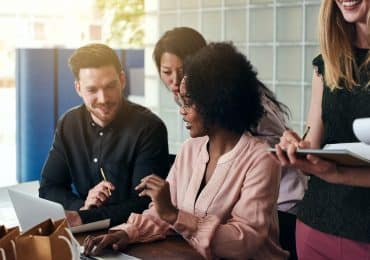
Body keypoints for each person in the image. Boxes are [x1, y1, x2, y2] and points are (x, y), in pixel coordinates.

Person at [83, 42, 289, 259]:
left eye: (188, 103)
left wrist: (173, 214)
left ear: (217, 103)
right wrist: (125, 232)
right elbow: (162, 214)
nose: (181, 111)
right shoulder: (191, 149)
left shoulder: (261, 159)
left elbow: (243, 241)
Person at [153, 26, 305, 258]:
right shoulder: (194, 139)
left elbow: (273, 150)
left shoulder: (252, 127)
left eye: (182, 70)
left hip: (281, 202)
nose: (174, 80)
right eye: (166, 72)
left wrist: (177, 215)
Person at [273, 0, 370, 259]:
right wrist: (297, 146)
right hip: (316, 226)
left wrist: (337, 173)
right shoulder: (326, 64)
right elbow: (312, 139)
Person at [39, 43, 169, 227]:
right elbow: (49, 187)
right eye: (92, 90)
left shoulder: (149, 127)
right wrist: (82, 206)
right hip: (85, 230)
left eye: (110, 86)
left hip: (135, 232)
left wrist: (85, 217)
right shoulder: (69, 123)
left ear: (122, 80)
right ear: (78, 88)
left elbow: (145, 203)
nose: (103, 99)